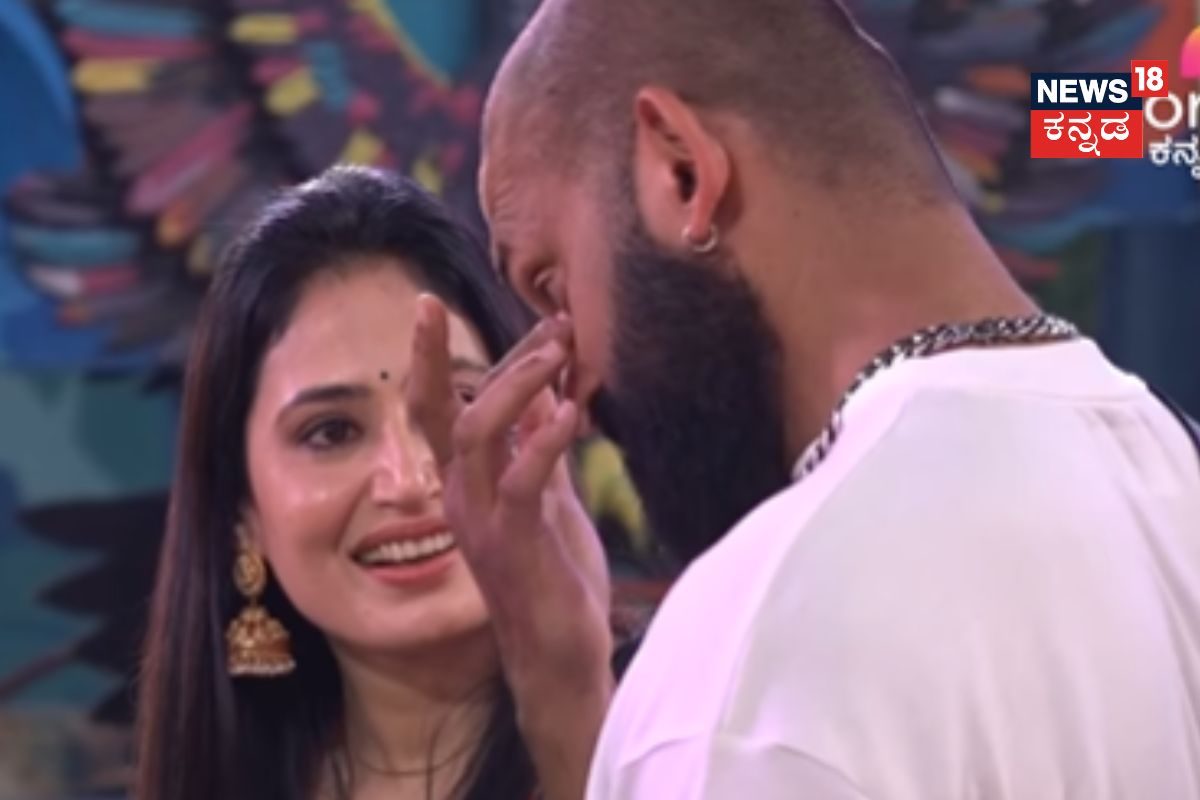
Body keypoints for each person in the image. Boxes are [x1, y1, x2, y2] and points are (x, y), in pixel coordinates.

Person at [405, 1, 1200, 798]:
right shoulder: (1177, 486)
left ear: (681, 172)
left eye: (552, 286)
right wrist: (563, 688)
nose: (568, 384)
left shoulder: (759, 661)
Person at [135, 165, 607, 800]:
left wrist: (574, 717)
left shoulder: (690, 716)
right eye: (331, 432)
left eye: (456, 403)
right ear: (243, 512)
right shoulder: (219, 778)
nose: (407, 480)